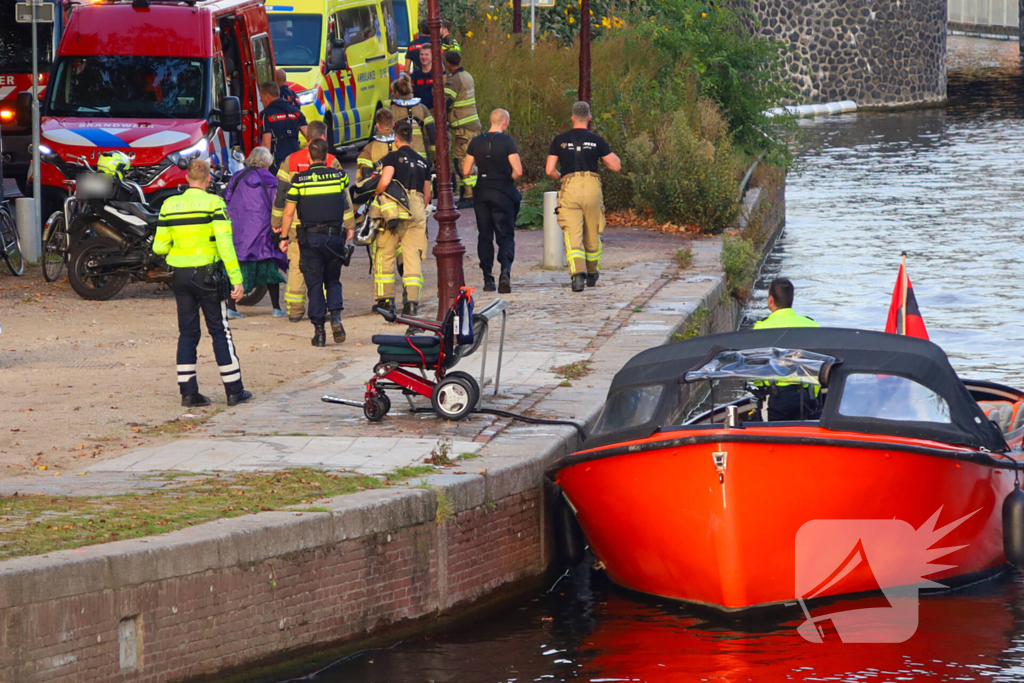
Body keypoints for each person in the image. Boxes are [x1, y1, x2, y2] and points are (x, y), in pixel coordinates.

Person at [154, 159, 251, 407]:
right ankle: (233, 390)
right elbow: (225, 246)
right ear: (208, 180)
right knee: (219, 330)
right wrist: (237, 280)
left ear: (186, 178)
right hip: (208, 276)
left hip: (180, 276)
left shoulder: (169, 206)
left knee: (187, 332)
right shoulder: (215, 205)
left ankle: (188, 393)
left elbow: (159, 246)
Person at [279, 139, 356, 347]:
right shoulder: (340, 177)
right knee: (333, 280)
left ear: (309, 157)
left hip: (310, 239)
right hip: (334, 237)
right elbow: (345, 202)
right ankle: (336, 319)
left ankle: (319, 332)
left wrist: (284, 238)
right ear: (327, 155)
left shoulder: (300, 180)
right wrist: (350, 227)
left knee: (314, 284)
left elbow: (288, 212)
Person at [272, 120, 345, 322]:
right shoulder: (331, 160)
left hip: (295, 222)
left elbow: (281, 194)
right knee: (323, 266)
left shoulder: (290, 160)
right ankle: (326, 308)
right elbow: (343, 197)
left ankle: (295, 311)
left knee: (296, 265)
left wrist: (276, 222)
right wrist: (350, 225)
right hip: (325, 222)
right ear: (323, 137)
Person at [545, 101, 621, 292]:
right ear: (589, 118)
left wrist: (561, 177)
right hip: (592, 187)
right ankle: (593, 273)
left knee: (572, 233)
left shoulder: (559, 140)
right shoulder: (597, 140)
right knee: (593, 231)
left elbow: (549, 169)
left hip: (570, 187)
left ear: (572, 117)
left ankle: (577, 275)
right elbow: (615, 165)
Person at [373, 120, 431, 316]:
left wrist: (376, 193)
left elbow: (386, 181)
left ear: (396, 139)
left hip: (395, 207)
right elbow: (427, 194)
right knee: (412, 255)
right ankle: (412, 302)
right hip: (417, 206)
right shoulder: (423, 161)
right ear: (412, 138)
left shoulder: (392, 157)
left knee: (386, 252)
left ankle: (386, 301)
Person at [222, 146, 287, 320]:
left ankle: (230, 307)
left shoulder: (237, 176)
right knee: (269, 268)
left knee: (237, 268)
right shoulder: (270, 179)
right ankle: (276, 308)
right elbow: (277, 204)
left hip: (238, 229)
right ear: (268, 162)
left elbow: (226, 199)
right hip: (262, 229)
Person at [464, 109, 522, 293]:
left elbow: (466, 170)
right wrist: (507, 179)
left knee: (485, 235)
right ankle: (505, 272)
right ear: (504, 122)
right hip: (502, 192)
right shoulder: (507, 141)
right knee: (505, 234)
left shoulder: (476, 141)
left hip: (482, 192)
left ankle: (487, 278)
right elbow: (518, 171)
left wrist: (478, 172)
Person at [752, 277, 820, 421]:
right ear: (791, 299)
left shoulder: (760, 329)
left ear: (770, 299)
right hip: (806, 396)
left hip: (776, 399)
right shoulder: (812, 326)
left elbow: (755, 370)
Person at [443, 50, 480, 207]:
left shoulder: (455, 80)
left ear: (448, 64)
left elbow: (447, 102)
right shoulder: (467, 76)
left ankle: (470, 195)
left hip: (463, 129)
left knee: (461, 161)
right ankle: (468, 193)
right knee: (469, 161)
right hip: (472, 126)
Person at [260, 81, 308, 170]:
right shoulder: (296, 112)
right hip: (296, 159)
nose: (261, 100)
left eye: (261, 97)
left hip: (278, 161)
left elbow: (266, 144)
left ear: (267, 96)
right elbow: (310, 136)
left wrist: (263, 169)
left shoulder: (266, 114)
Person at [390, 74, 435, 163]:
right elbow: (431, 131)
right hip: (421, 155)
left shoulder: (392, 110)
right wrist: (434, 156)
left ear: (397, 93)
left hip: (402, 157)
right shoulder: (422, 108)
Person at [410, 45, 435, 110]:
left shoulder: (438, 74)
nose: (423, 57)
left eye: (426, 54)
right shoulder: (415, 75)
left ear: (433, 56)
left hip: (434, 111)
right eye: (421, 54)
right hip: (419, 110)